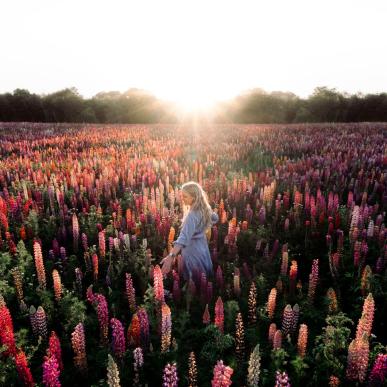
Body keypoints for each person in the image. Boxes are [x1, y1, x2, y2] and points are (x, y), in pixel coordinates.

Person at [160, 181, 219, 283]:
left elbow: (183, 238)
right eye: (181, 195)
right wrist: (201, 230)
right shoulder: (205, 209)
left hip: (192, 253)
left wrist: (171, 257)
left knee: (195, 283)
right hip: (203, 249)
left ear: (194, 197)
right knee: (205, 279)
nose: (182, 199)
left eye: (185, 196)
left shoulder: (192, 215)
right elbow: (215, 218)